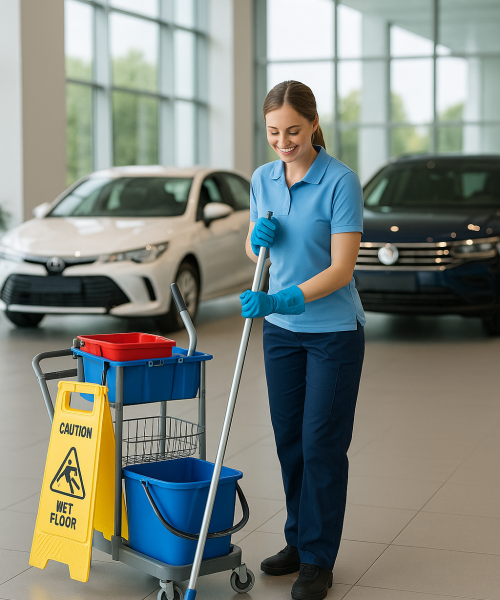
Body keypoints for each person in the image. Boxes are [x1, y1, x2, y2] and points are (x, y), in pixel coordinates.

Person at [240, 80, 365, 600]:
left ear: (313, 123)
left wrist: (282, 298)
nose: (283, 141)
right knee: (290, 442)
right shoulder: (262, 178)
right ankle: (296, 539)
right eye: (273, 132)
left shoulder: (341, 182)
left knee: (321, 444)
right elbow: (258, 254)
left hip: (333, 332)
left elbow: (341, 269)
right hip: (282, 335)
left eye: (293, 130)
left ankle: (317, 557)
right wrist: (255, 242)